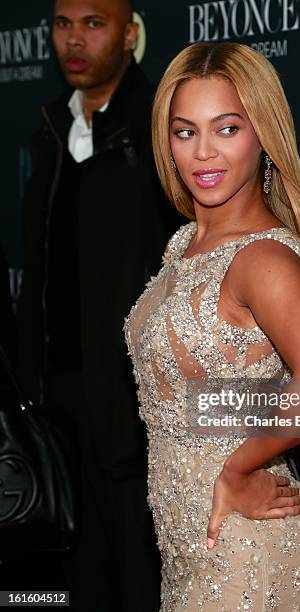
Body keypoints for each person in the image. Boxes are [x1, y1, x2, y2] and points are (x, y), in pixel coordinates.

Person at [124, 41, 300, 611]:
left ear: (264, 136)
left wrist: (240, 464)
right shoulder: (186, 242)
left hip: (248, 553)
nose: (203, 153)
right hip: (191, 548)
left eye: (227, 129)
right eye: (185, 132)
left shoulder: (262, 259)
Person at [17, 0, 179, 610]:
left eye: (94, 23)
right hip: (56, 396)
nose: (74, 40)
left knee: (136, 576)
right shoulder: (53, 127)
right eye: (62, 24)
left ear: (130, 34)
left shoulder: (157, 128)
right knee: (71, 575)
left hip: (133, 403)